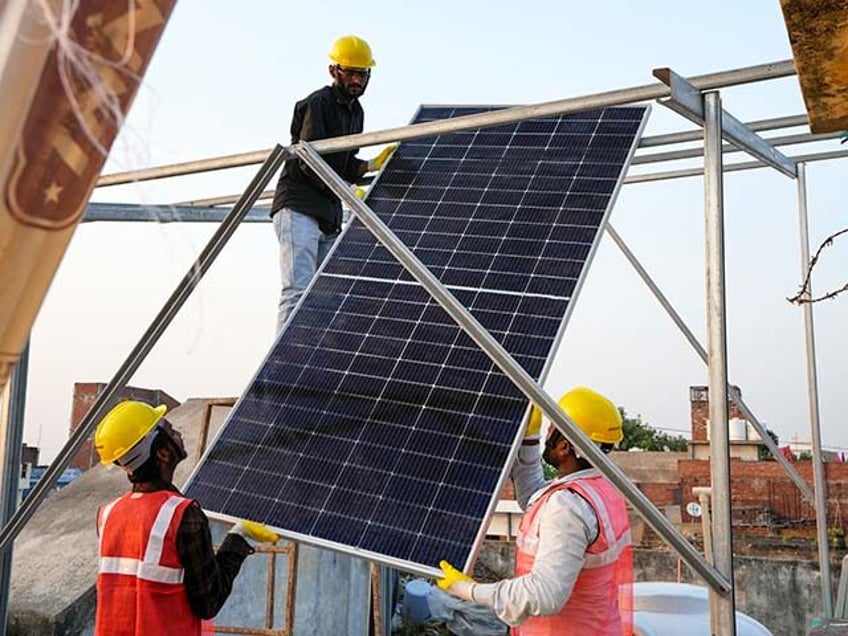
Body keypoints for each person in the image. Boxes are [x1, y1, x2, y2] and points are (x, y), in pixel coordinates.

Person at [438, 387, 633, 635]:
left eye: (551, 430)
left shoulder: (568, 507)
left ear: (564, 447)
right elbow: (535, 499)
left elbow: (544, 594)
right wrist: (530, 440)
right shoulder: (601, 489)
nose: (547, 433)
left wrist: (467, 590)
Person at [92, 400, 279, 636]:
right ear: (162, 452)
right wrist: (238, 537)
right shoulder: (182, 514)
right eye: (169, 429)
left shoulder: (107, 514)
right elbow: (209, 600)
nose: (178, 433)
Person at [270, 34, 396, 333]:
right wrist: (349, 191)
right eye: (349, 72)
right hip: (299, 206)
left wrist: (370, 165)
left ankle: (305, 361)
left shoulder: (356, 112)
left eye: (361, 74)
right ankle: (281, 371)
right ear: (334, 71)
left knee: (323, 297)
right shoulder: (319, 103)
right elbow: (311, 160)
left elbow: (343, 163)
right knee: (297, 290)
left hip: (328, 212)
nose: (356, 79)